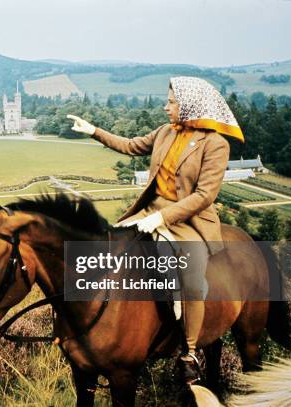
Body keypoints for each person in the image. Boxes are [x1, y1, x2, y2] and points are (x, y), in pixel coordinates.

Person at [67, 76, 244, 384]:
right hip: (149, 211)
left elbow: (204, 196)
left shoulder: (216, 144)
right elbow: (131, 145)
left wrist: (162, 220)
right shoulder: (165, 132)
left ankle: (189, 353)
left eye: (172, 102)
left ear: (190, 106)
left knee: (190, 276)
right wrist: (94, 131)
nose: (166, 107)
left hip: (188, 222)